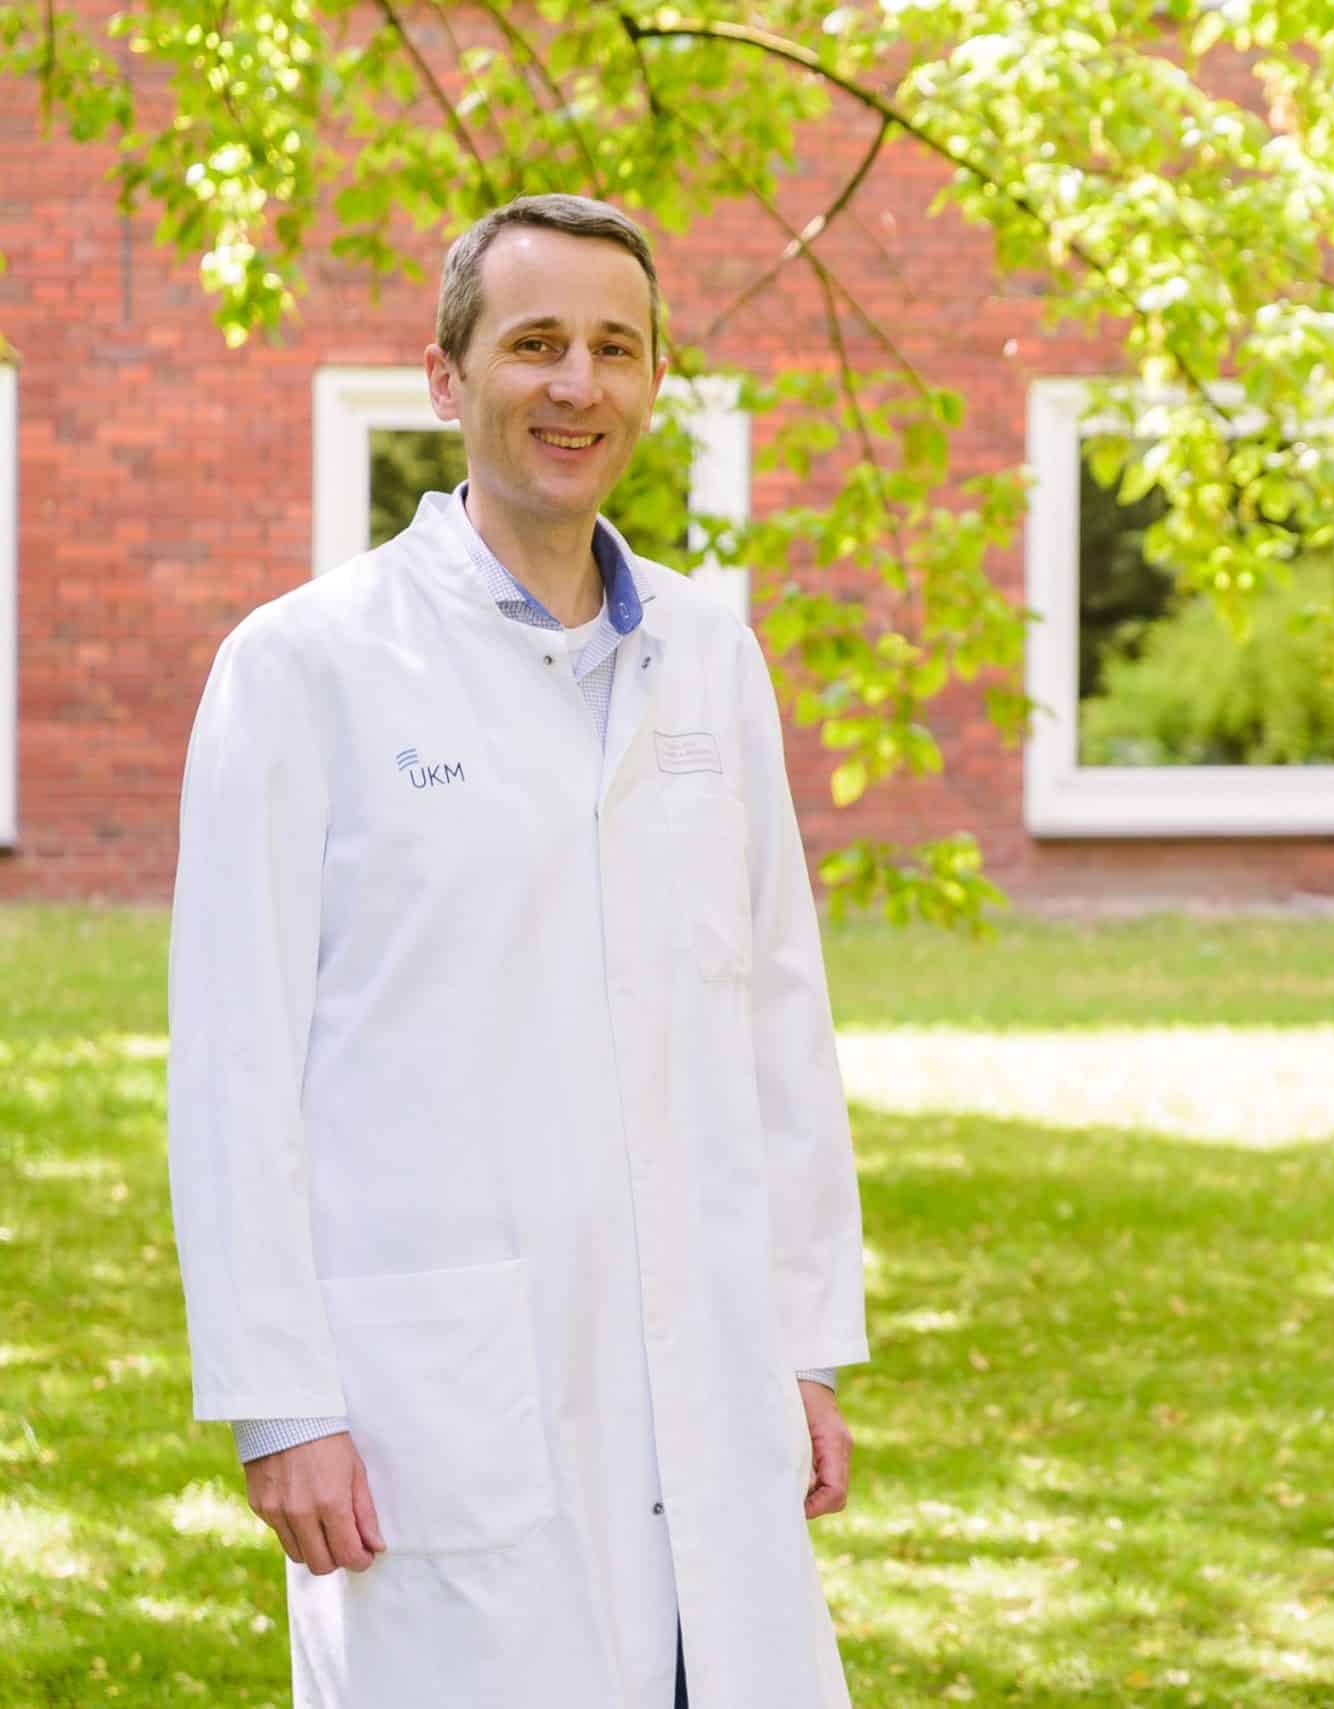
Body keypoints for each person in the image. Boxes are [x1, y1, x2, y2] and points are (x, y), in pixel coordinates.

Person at [166, 193, 865, 1709]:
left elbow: (779, 1025)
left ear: (655, 384)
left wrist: (805, 1339)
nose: (578, 385)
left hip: (706, 1380)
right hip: (440, 1404)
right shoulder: (304, 669)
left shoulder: (709, 656)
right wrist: (280, 1398)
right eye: (536, 343)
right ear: (445, 379)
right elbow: (234, 1068)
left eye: (617, 349)